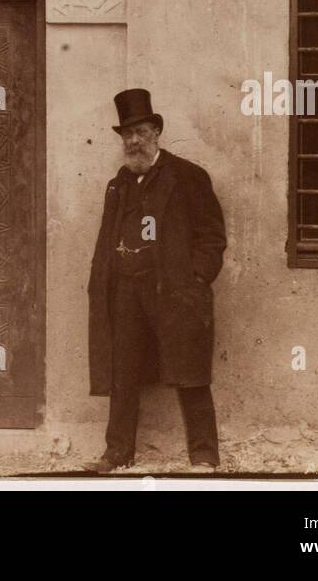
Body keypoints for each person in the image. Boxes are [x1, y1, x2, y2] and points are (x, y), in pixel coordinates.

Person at [85, 88, 227, 473]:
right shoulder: (119, 184)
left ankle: (203, 456)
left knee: (190, 370)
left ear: (156, 133)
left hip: (174, 290)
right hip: (128, 291)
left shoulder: (187, 177)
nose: (133, 141)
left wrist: (196, 279)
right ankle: (117, 453)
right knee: (124, 369)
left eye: (141, 132)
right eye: (127, 135)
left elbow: (212, 237)